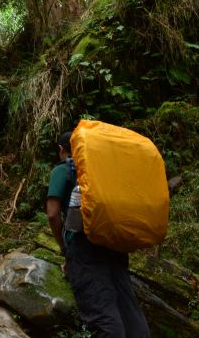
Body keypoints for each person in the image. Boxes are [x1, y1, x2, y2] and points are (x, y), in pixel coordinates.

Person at [46, 131, 150, 338]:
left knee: (104, 320)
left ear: (61, 149)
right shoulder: (104, 172)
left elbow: (52, 214)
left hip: (85, 247)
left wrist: (65, 250)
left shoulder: (63, 169)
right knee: (131, 316)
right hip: (115, 245)